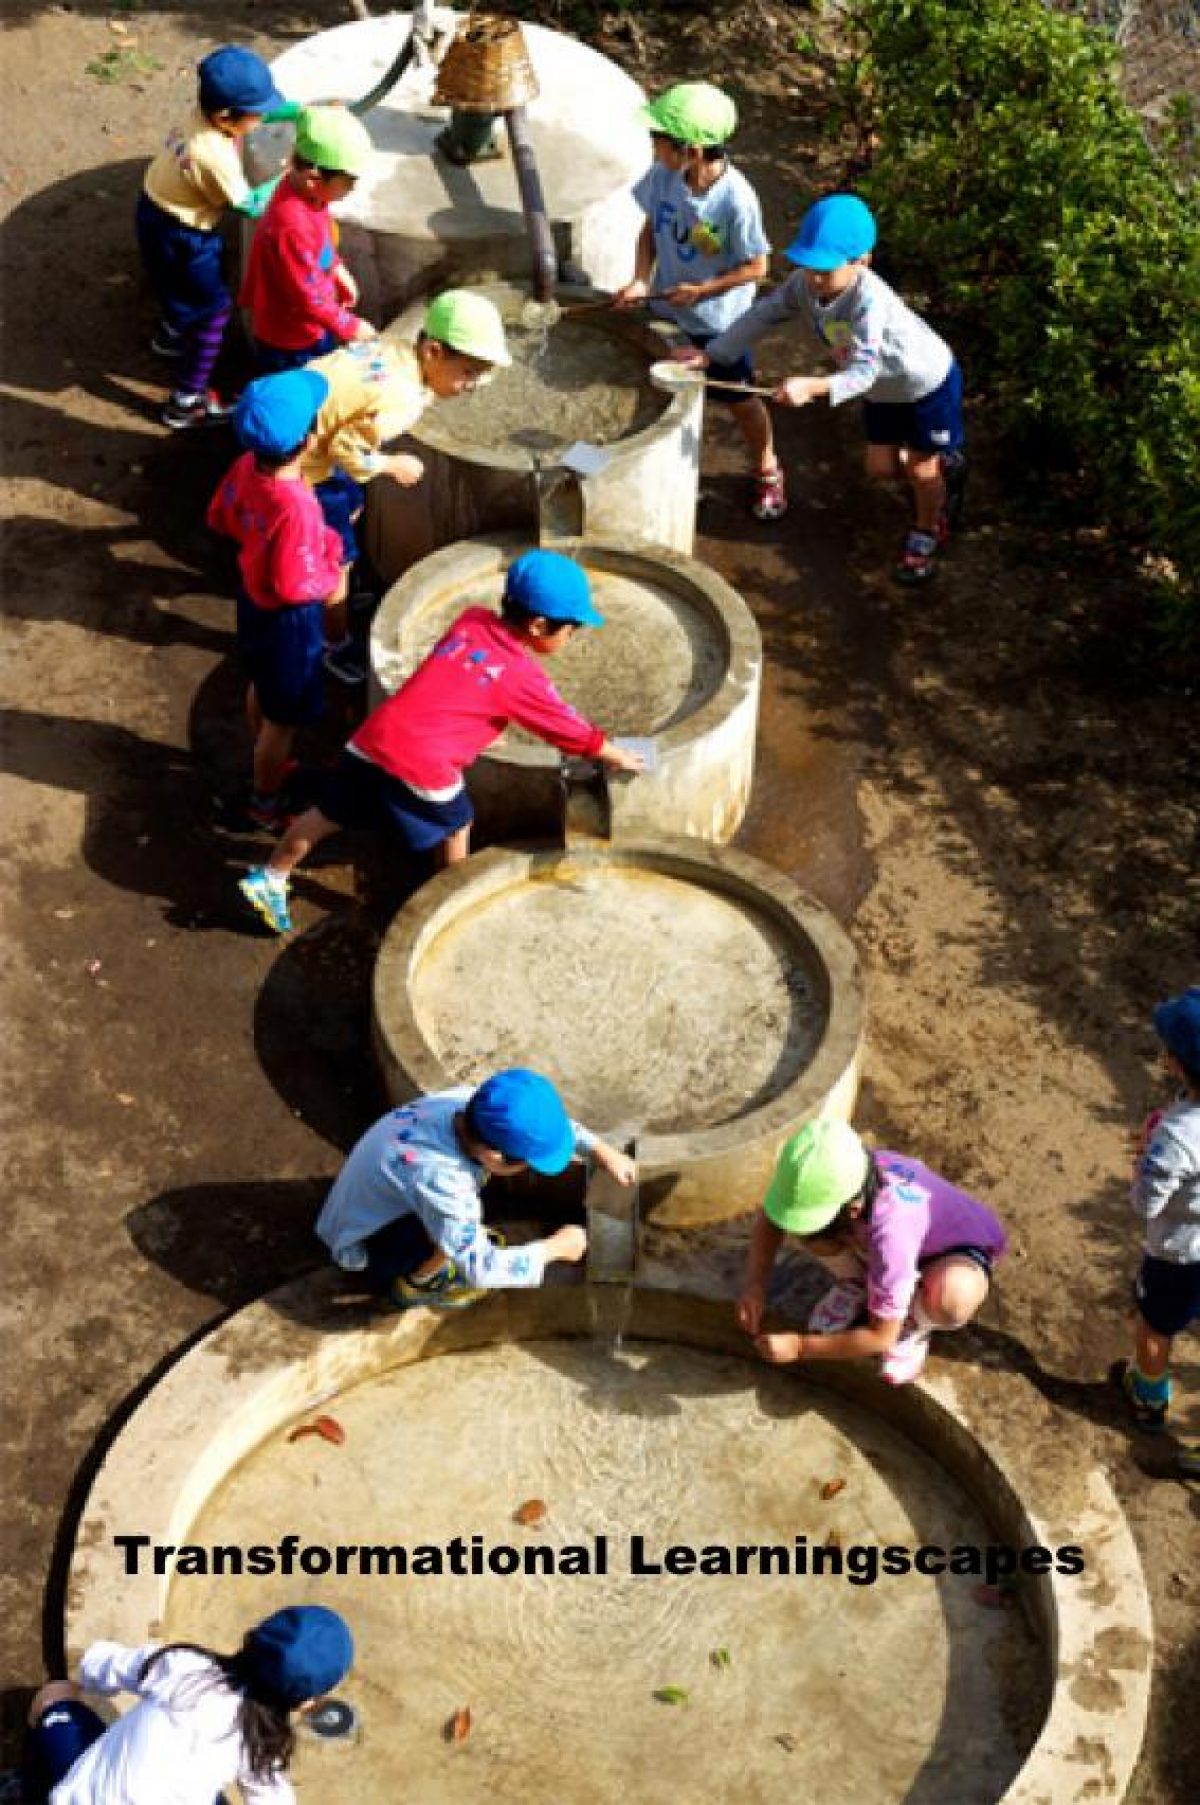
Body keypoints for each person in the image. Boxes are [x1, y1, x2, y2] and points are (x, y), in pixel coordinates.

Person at [237, 549, 645, 935]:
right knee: (458, 824)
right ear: (539, 625)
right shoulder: (521, 676)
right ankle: (451, 899)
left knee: (327, 814)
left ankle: (270, 876)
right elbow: (566, 728)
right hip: (423, 763)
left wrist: (483, 731)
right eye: (572, 628)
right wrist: (614, 754)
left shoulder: (471, 621)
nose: (572, 635)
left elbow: (457, 683)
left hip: (376, 736)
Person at [682, 192, 967, 584]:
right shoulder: (804, 285)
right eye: (808, 265)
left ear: (861, 261)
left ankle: (927, 528)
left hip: (924, 385)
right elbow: (763, 315)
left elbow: (863, 371)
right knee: (881, 468)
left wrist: (813, 387)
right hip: (882, 393)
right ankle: (940, 467)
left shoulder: (870, 303)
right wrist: (712, 355)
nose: (814, 278)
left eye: (824, 270)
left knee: (920, 469)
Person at [301, 289, 512, 682]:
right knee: (337, 561)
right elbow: (347, 445)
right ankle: (335, 642)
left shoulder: (393, 348)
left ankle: (346, 590)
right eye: (468, 372)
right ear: (432, 352)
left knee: (352, 504)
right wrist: (390, 464)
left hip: (307, 430)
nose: (474, 385)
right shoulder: (401, 399)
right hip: (308, 472)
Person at [317, 1067, 636, 1308]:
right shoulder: (445, 1182)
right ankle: (421, 1282)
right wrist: (556, 1248)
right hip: (369, 1243)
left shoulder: (469, 1103)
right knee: (461, 1237)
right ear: (494, 1156)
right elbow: (483, 1268)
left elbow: (543, 1125)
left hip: (373, 1204)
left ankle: (435, 1245)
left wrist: (602, 1152)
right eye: (528, 1162)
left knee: (456, 1222)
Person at [614, 81, 784, 521]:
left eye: (659, 140)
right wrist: (638, 280)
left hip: (718, 322)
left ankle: (767, 466)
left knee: (739, 397)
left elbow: (757, 268)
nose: (652, 146)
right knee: (655, 382)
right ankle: (664, 468)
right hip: (667, 306)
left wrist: (702, 291)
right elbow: (650, 229)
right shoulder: (666, 176)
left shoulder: (737, 201)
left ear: (689, 150)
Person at [737, 1119, 1007, 1385]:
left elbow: (880, 1338)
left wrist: (800, 1347)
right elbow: (772, 1218)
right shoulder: (835, 1173)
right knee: (806, 1226)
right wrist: (755, 1285)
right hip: (876, 1236)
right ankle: (857, 1282)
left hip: (952, 1255)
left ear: (853, 1209)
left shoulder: (892, 1231)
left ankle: (913, 1318)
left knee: (954, 1296)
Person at [22, 1604, 353, 1804]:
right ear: (306, 1702)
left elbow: (99, 1663)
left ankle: (27, 1781)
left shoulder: (183, 1666)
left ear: (252, 1636)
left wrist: (89, 1677)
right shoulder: (259, 1749)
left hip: (75, 1799)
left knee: (53, 1696)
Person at [207, 369, 347, 830]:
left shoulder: (245, 466)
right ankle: (266, 800)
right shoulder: (297, 509)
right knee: (283, 720)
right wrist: (332, 559)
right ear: (308, 441)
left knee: (262, 688)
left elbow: (220, 516)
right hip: (289, 622)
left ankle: (263, 752)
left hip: (253, 600)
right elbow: (297, 586)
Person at [138, 47, 303, 430]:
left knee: (175, 289)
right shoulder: (213, 155)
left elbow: (243, 121)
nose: (262, 118)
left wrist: (292, 112)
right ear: (225, 118)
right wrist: (289, 174)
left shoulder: (199, 119)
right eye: (258, 113)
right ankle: (186, 402)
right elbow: (248, 206)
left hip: (153, 211)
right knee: (214, 311)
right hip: (185, 235)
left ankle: (172, 334)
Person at [1115, 985, 1200, 1431]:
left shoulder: (1179, 1137)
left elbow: (1146, 1203)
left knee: (1154, 1326)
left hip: (1176, 1255)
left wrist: (1144, 1158)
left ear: (1177, 1062)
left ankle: (1148, 1396)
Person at [240, 106, 376, 375]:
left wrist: (336, 267)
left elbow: (322, 238)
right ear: (315, 179)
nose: (353, 188)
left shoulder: (310, 194)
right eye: (348, 183)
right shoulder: (292, 226)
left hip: (311, 322)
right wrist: (350, 326)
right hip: (288, 335)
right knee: (295, 390)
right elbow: (307, 297)